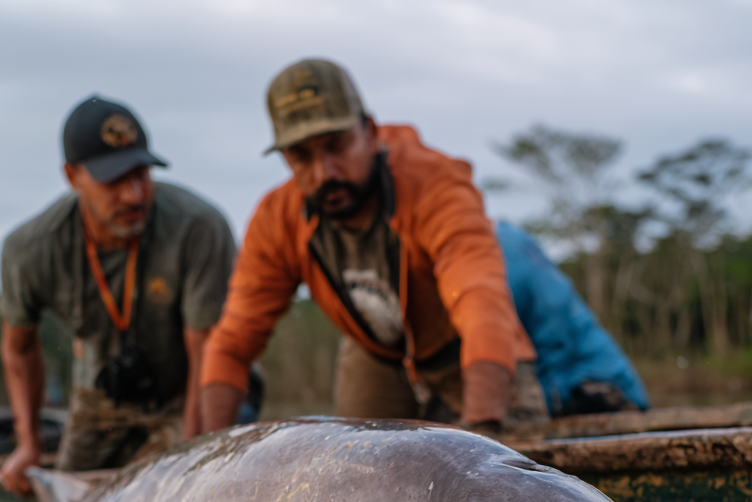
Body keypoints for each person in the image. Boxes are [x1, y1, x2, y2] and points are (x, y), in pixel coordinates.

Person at [193, 59, 547, 439]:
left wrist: (483, 432)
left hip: (467, 348)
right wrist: (212, 458)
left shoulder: (435, 185)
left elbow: (482, 303)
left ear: (371, 133)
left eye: (337, 146)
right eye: (301, 156)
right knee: (355, 473)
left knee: (511, 468)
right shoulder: (277, 220)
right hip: (376, 354)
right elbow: (231, 345)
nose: (324, 172)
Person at [0, 95, 237, 496]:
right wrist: (29, 444)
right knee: (69, 499)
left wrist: (194, 459)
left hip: (190, 389)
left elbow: (207, 353)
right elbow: (19, 349)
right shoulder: (30, 249)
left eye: (142, 172)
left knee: (160, 490)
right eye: (114, 179)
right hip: (102, 396)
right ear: (72, 176)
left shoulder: (199, 228)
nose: (135, 195)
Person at [496, 222, 649, 416]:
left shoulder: (505, 250)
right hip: (565, 388)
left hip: (591, 386)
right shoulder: (505, 240)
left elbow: (554, 322)